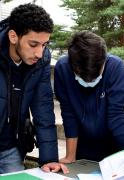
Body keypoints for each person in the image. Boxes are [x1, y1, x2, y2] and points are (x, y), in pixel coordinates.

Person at [0, 3, 68, 174]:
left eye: (44, 44)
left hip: (11, 149)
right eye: (33, 44)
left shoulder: (41, 61)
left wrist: (50, 159)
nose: (39, 52)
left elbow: (43, 110)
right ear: (13, 36)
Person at [54, 30, 124, 163]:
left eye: (95, 75)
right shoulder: (62, 68)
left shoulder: (115, 67)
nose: (89, 82)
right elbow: (68, 114)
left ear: (104, 60)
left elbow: (118, 117)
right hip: (82, 146)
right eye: (82, 76)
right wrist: (70, 156)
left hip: (114, 147)